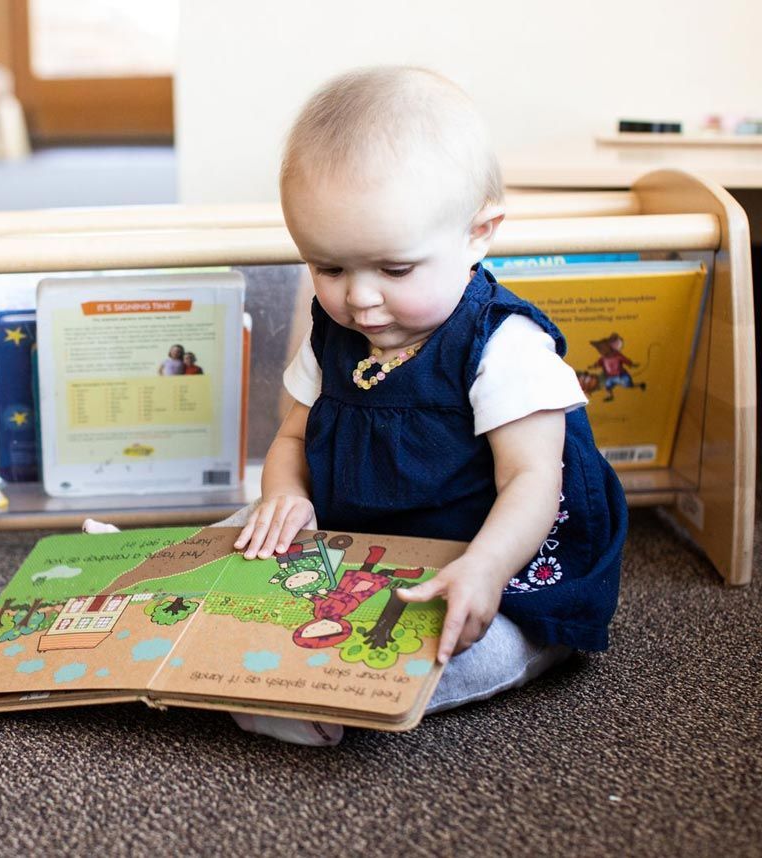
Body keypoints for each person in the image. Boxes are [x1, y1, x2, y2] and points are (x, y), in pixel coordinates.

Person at [225, 66, 626, 746]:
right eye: (329, 267)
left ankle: (336, 700)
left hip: (496, 553)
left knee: (471, 640)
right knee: (245, 527)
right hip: (369, 534)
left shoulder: (506, 347)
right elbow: (293, 438)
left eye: (395, 269)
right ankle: (176, 615)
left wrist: (487, 567)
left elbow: (532, 481)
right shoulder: (336, 336)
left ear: (479, 233)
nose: (360, 299)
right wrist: (284, 495)